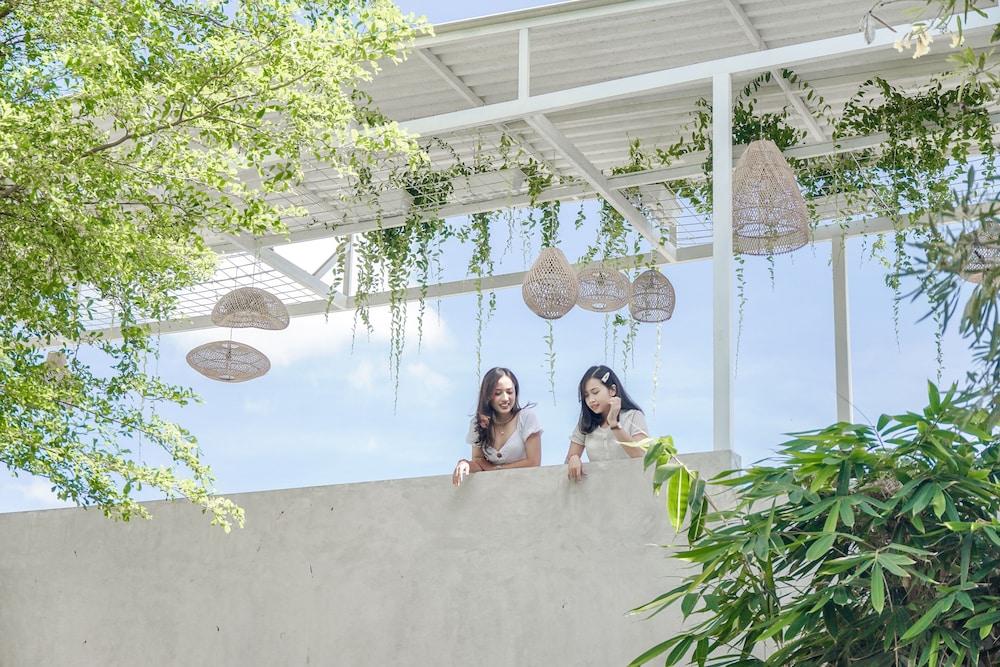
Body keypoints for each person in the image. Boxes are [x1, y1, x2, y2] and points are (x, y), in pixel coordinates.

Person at [452, 367, 542, 486]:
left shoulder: (526, 417)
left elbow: (533, 462)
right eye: (498, 393)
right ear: (487, 395)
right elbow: (478, 462)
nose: (505, 398)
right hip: (492, 490)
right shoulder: (477, 423)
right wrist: (465, 464)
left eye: (510, 392)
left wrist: (497, 469)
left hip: (525, 486)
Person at [565, 365, 648, 481]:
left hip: (632, 484)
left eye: (595, 392)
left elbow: (641, 455)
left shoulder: (633, 416)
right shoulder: (585, 423)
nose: (591, 400)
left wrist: (614, 424)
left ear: (612, 390)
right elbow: (567, 463)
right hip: (599, 487)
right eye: (586, 395)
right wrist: (574, 458)